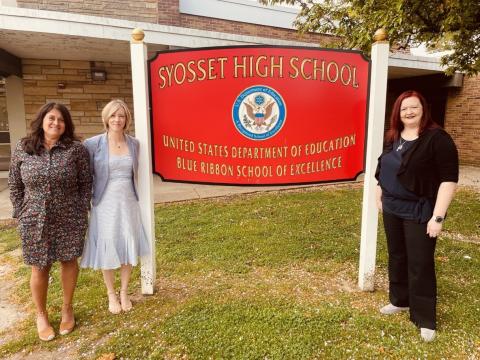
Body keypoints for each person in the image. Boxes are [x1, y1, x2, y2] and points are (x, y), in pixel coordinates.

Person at [375, 90, 459, 342]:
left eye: (414, 107)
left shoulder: (437, 139)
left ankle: (424, 318)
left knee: (420, 263)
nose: (409, 112)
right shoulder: (393, 137)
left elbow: (448, 180)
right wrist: (379, 193)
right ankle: (400, 300)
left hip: (419, 210)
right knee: (397, 256)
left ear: (423, 109)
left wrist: (438, 217)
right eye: (404, 108)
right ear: (397, 113)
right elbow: (385, 168)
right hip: (392, 208)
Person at [8, 103, 92, 341]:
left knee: (68, 261)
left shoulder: (76, 150)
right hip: (34, 218)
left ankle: (67, 308)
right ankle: (41, 314)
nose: (56, 123)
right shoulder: (24, 148)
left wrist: (80, 208)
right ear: (42, 120)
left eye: (61, 120)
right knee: (39, 266)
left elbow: (86, 183)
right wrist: (21, 212)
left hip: (69, 216)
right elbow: (15, 184)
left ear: (67, 125)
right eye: (52, 118)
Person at [80, 99, 149, 314]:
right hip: (104, 202)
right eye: (113, 115)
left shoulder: (134, 144)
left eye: (121, 115)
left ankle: (124, 291)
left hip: (128, 201)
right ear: (106, 118)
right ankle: (111, 293)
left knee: (127, 244)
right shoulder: (92, 144)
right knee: (107, 245)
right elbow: (85, 176)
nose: (117, 119)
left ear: (126, 119)